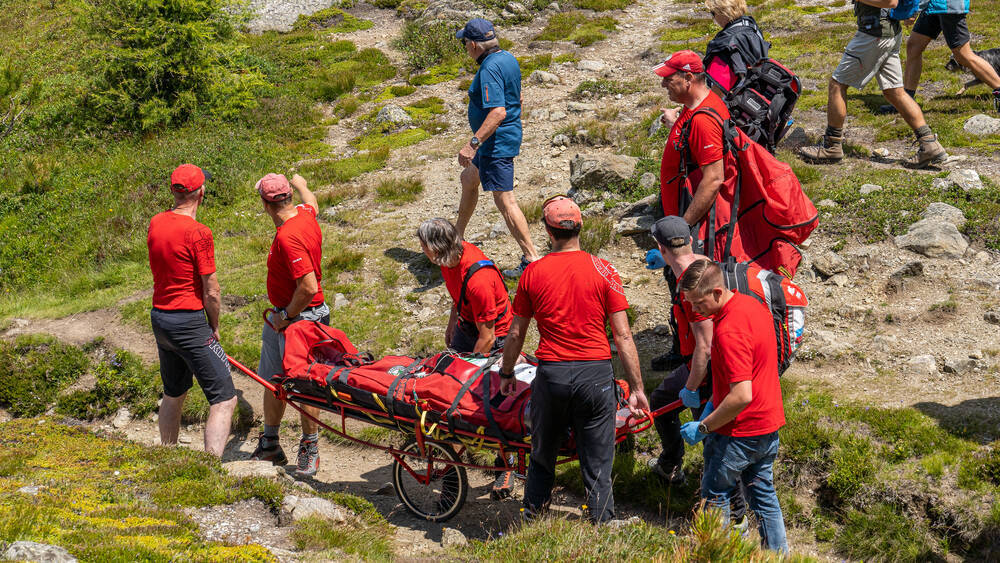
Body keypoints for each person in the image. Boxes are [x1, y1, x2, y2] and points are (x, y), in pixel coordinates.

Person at [499, 195, 649, 523]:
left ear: (548, 232)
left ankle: (533, 518)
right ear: (580, 227)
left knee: (542, 454)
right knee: (597, 459)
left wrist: (507, 372)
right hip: (595, 377)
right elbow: (623, 336)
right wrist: (637, 388)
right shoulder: (604, 270)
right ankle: (603, 522)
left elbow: (516, 333)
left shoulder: (533, 273)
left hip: (552, 376)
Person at [678, 259, 788, 553]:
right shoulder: (752, 305)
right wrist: (712, 402)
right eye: (689, 303)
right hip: (767, 425)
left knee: (715, 495)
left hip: (738, 433)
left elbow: (741, 395)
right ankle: (778, 557)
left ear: (716, 292)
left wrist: (704, 427)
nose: (694, 310)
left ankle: (717, 555)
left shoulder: (728, 331)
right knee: (763, 496)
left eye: (698, 302)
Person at [147, 164, 237, 458]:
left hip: (160, 318)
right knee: (224, 399)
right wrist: (214, 326)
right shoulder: (199, 233)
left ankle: (168, 456)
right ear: (201, 192)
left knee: (174, 392)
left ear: (173, 191)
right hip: (189, 321)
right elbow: (212, 290)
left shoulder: (156, 222)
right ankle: (210, 467)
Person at [797, 0, 947, 168]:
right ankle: (929, 143)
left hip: (873, 35)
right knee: (894, 92)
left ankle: (831, 146)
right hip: (889, 32)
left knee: (837, 85)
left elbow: (890, 2)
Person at [250, 172, 330, 478]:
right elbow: (313, 202)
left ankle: (310, 446)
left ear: (265, 204)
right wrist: (302, 184)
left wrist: (286, 316)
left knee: (306, 385)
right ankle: (270, 443)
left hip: (301, 320)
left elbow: (308, 287)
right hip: (281, 318)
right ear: (289, 198)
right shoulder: (304, 214)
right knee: (273, 380)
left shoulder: (288, 237)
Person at [455, 18, 540, 278]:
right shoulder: (507, 58)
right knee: (469, 179)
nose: (465, 48)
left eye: (464, 43)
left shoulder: (490, 67)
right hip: (497, 140)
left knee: (505, 200)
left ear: (473, 45)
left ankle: (532, 259)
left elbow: (498, 112)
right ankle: (456, 239)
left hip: (495, 143)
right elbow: (518, 97)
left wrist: (473, 144)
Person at [656, 49, 749, 265]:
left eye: (668, 79)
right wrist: (675, 124)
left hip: (693, 229)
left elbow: (714, 179)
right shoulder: (695, 106)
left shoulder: (702, 120)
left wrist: (682, 229)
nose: (663, 84)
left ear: (688, 78)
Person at [879, 0, 1000, 114]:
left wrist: (912, 10)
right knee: (914, 46)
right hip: (932, 6)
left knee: (963, 54)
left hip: (947, 6)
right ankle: (906, 101)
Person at [416, 217, 512, 354]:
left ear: (435, 249)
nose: (422, 250)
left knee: (465, 367)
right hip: (468, 325)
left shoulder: (479, 281)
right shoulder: (448, 258)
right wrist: (452, 323)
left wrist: (469, 363)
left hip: (495, 336)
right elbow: (459, 293)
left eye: (423, 247)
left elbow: (488, 338)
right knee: (447, 364)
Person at [702, 0, 771, 94]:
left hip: (735, 98)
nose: (713, 17)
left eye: (713, 13)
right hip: (756, 91)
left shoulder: (725, 43)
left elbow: (719, 88)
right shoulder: (751, 27)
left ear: (723, 13)